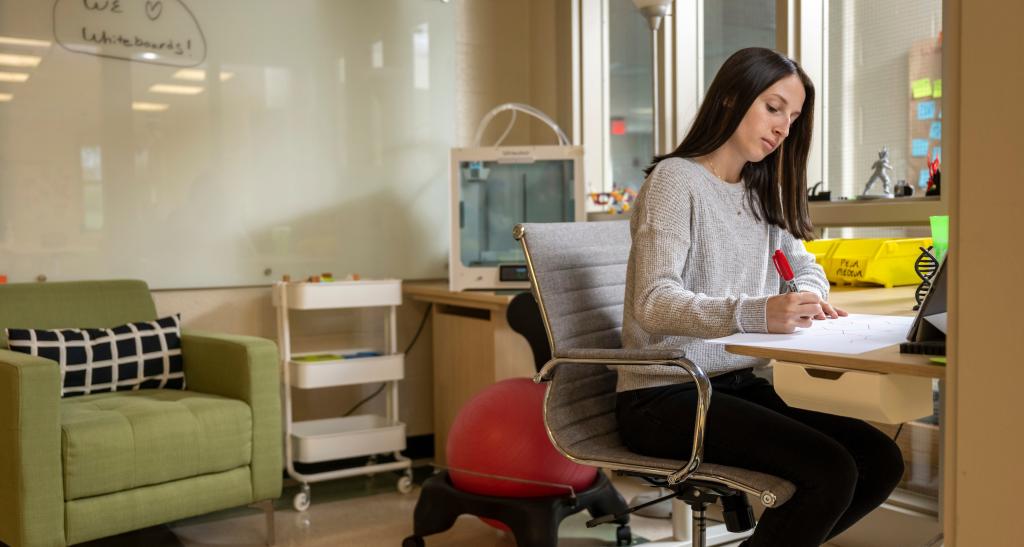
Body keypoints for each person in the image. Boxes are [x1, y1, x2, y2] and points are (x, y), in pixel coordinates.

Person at [616, 47, 905, 547]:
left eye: (792, 118)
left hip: (736, 384)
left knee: (880, 461)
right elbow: (653, 301)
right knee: (830, 471)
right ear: (730, 97)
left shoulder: (757, 193)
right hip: (665, 393)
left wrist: (809, 294)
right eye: (774, 108)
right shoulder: (675, 182)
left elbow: (804, 266)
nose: (782, 129)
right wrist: (757, 312)